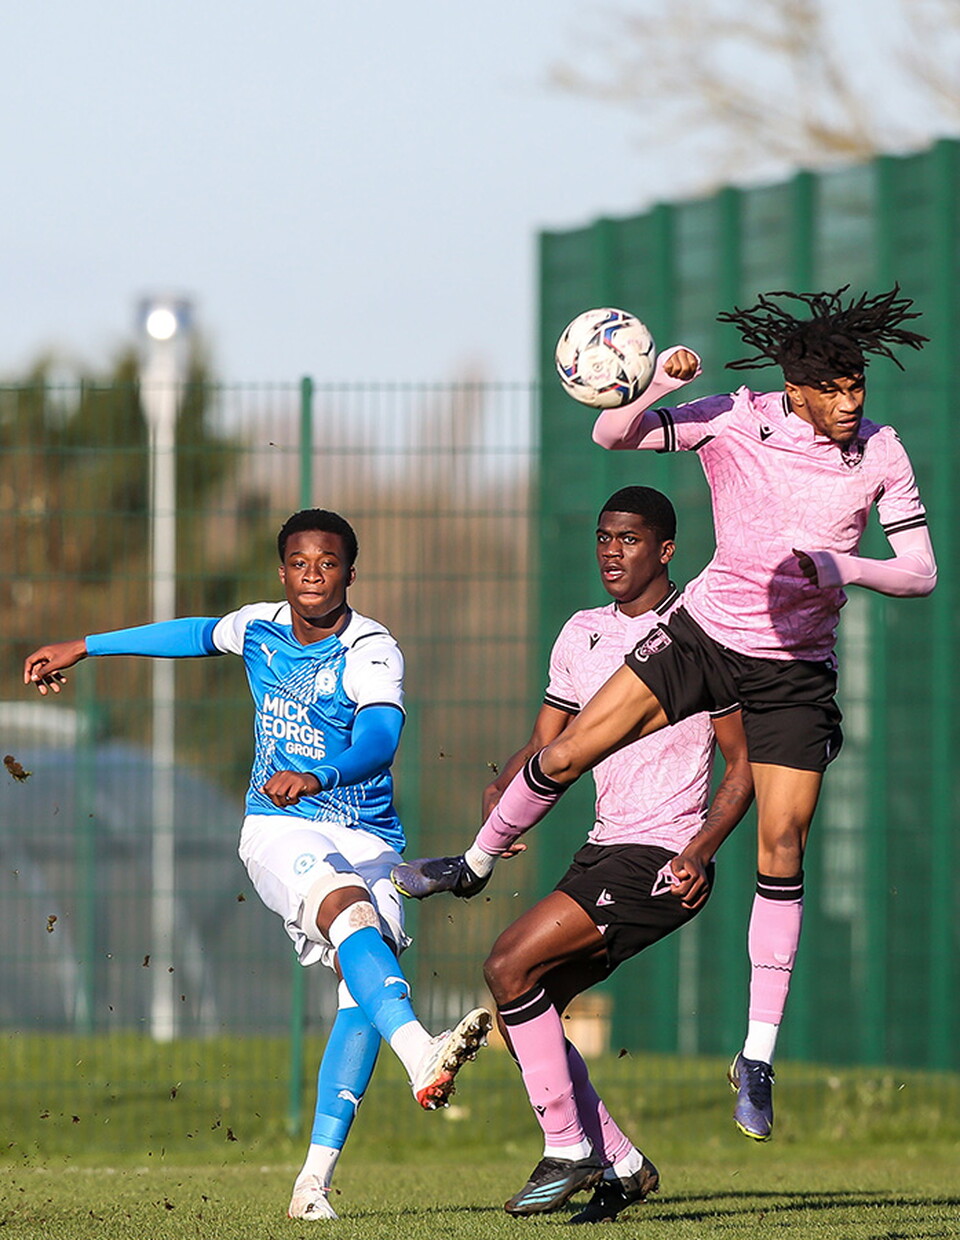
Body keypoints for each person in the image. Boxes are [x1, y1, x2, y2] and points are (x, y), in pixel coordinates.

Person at [394, 286, 937, 1146]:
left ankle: (756, 1057)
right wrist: (653, 384)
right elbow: (613, 435)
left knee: (783, 845)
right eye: (834, 388)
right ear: (795, 389)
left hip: (794, 675)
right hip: (705, 637)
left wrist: (849, 568)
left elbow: (922, 571)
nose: (852, 402)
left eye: (858, 386)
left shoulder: (881, 452)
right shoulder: (737, 417)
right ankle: (472, 862)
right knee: (571, 750)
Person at [23, 507, 492, 1222]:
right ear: (282, 571)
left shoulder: (371, 648)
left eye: (328, 562)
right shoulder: (259, 626)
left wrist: (322, 774)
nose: (312, 573)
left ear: (350, 574)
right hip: (277, 828)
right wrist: (85, 645)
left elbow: (380, 738)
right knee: (348, 913)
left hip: (368, 836)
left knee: (362, 996)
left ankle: (312, 1184)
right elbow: (190, 635)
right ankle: (422, 1054)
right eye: (300, 561)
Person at [393, 485, 754, 1220]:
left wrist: (701, 848)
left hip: (658, 858)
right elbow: (547, 744)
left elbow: (743, 766)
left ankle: (569, 1148)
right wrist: (505, 783)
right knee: (535, 1007)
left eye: (627, 539)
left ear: (666, 549)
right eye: (602, 537)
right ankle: (622, 1163)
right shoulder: (580, 632)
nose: (611, 552)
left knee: (506, 964)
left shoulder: (701, 633)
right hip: (599, 849)